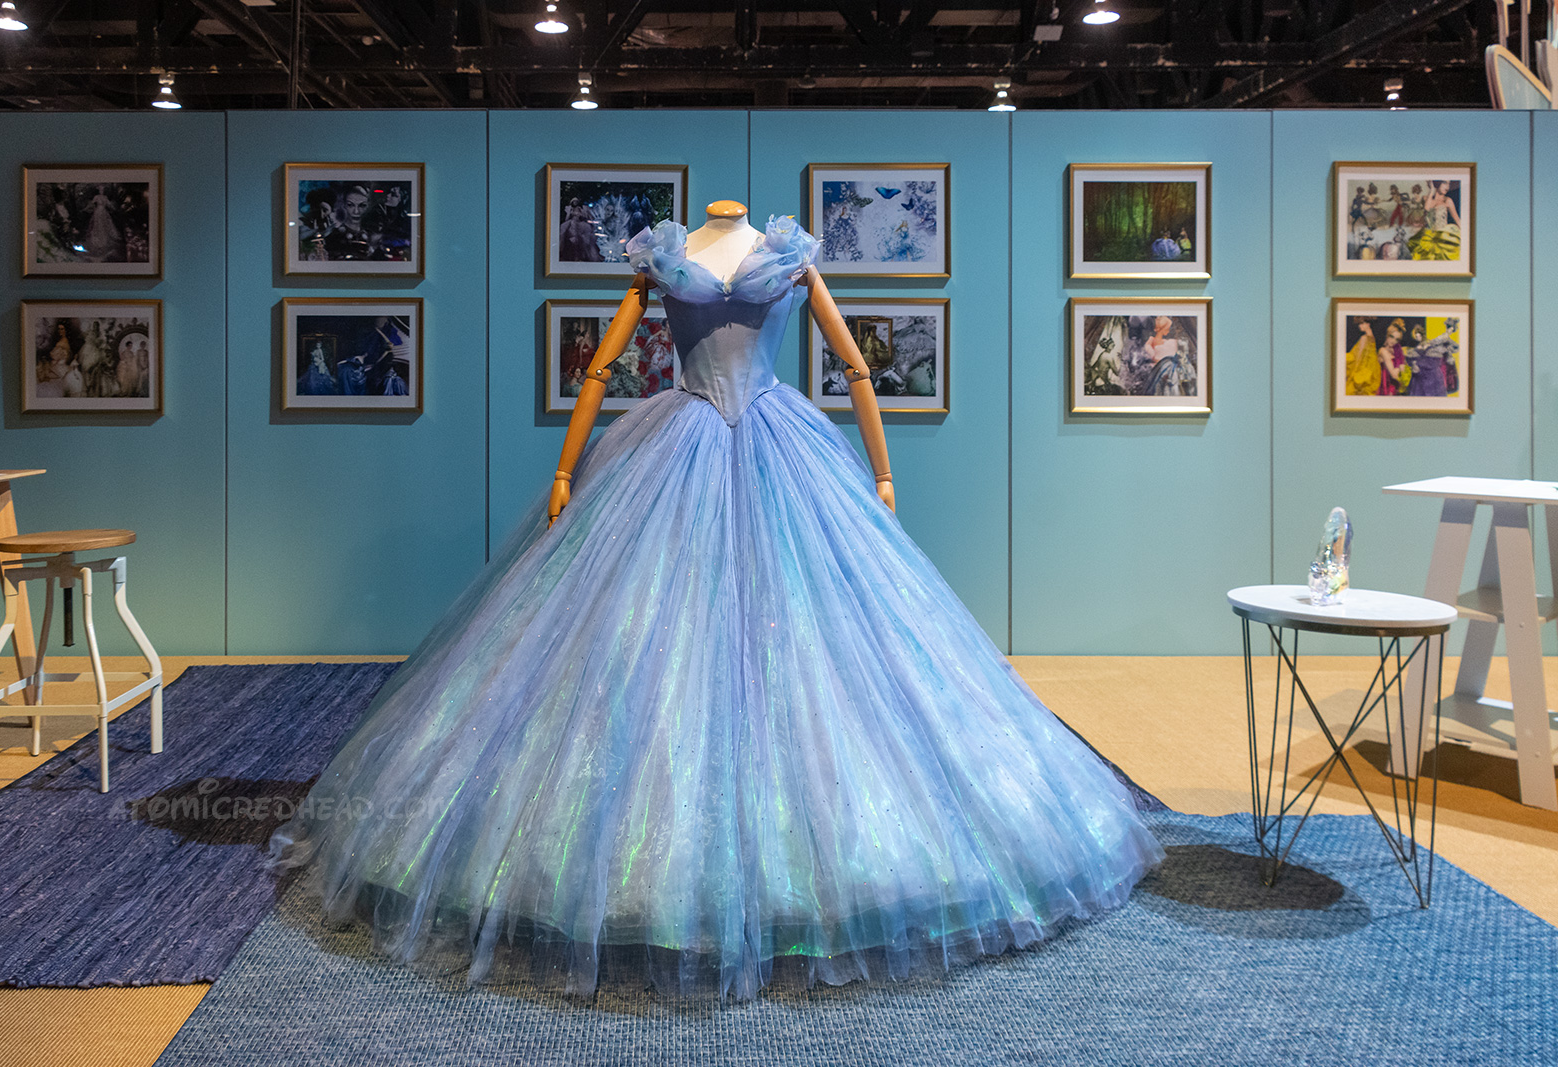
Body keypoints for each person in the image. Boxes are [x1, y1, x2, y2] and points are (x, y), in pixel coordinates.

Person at [271, 205, 1162, 1001]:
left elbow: (852, 364)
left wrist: (883, 472)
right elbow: (608, 365)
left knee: (816, 647)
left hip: (773, 441)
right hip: (685, 435)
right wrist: (565, 467)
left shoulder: (785, 251)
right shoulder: (669, 251)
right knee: (637, 647)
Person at [1407, 180, 1462, 261]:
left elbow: (1457, 220)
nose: (1447, 187)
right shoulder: (1425, 198)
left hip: (1443, 236)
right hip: (1428, 235)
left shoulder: (1447, 200)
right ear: (1437, 183)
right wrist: (1432, 190)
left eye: (1449, 184)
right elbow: (1427, 209)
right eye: (1445, 183)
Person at [1345, 317, 1382, 396]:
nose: (1359, 326)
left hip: (1363, 369)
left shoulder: (1364, 338)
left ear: (1368, 324)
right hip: (1371, 370)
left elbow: (1358, 357)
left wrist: (1352, 373)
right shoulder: (1371, 337)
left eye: (1362, 323)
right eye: (1359, 324)